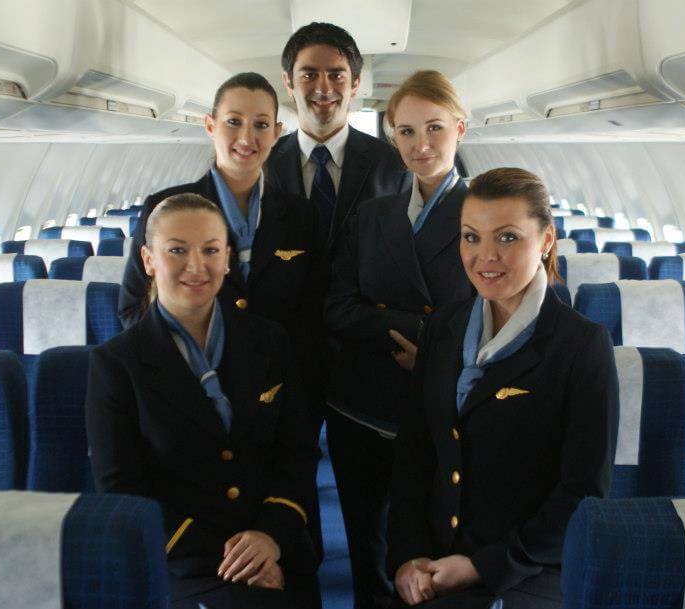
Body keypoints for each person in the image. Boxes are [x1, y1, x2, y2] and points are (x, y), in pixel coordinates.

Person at [387, 168, 619, 609]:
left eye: (508, 237)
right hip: (433, 565)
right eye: (471, 237)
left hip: (526, 570)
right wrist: (408, 556)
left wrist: (484, 565)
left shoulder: (580, 345)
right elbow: (415, 453)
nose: (485, 256)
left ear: (546, 240)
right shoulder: (443, 328)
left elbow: (582, 491)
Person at [87, 193, 321, 609]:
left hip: (275, 541)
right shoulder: (117, 364)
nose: (196, 266)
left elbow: (297, 453)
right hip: (183, 560)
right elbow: (121, 487)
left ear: (228, 259)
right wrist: (228, 558)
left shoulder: (268, 341)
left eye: (211, 250)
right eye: (176, 250)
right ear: (148, 260)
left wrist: (270, 535)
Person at [323, 70, 475, 609]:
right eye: (406, 132)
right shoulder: (372, 215)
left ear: (459, 128)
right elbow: (337, 308)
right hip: (359, 408)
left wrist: (430, 352)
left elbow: (499, 315)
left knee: (434, 554)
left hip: (447, 407)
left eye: (434, 128)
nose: (421, 145)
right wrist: (426, 331)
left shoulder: (485, 216)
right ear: (391, 136)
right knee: (367, 548)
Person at [268, 21, 409, 251]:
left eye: (336, 75)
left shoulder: (393, 165)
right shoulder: (262, 163)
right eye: (309, 75)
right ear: (288, 83)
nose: (323, 89)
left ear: (355, 84)